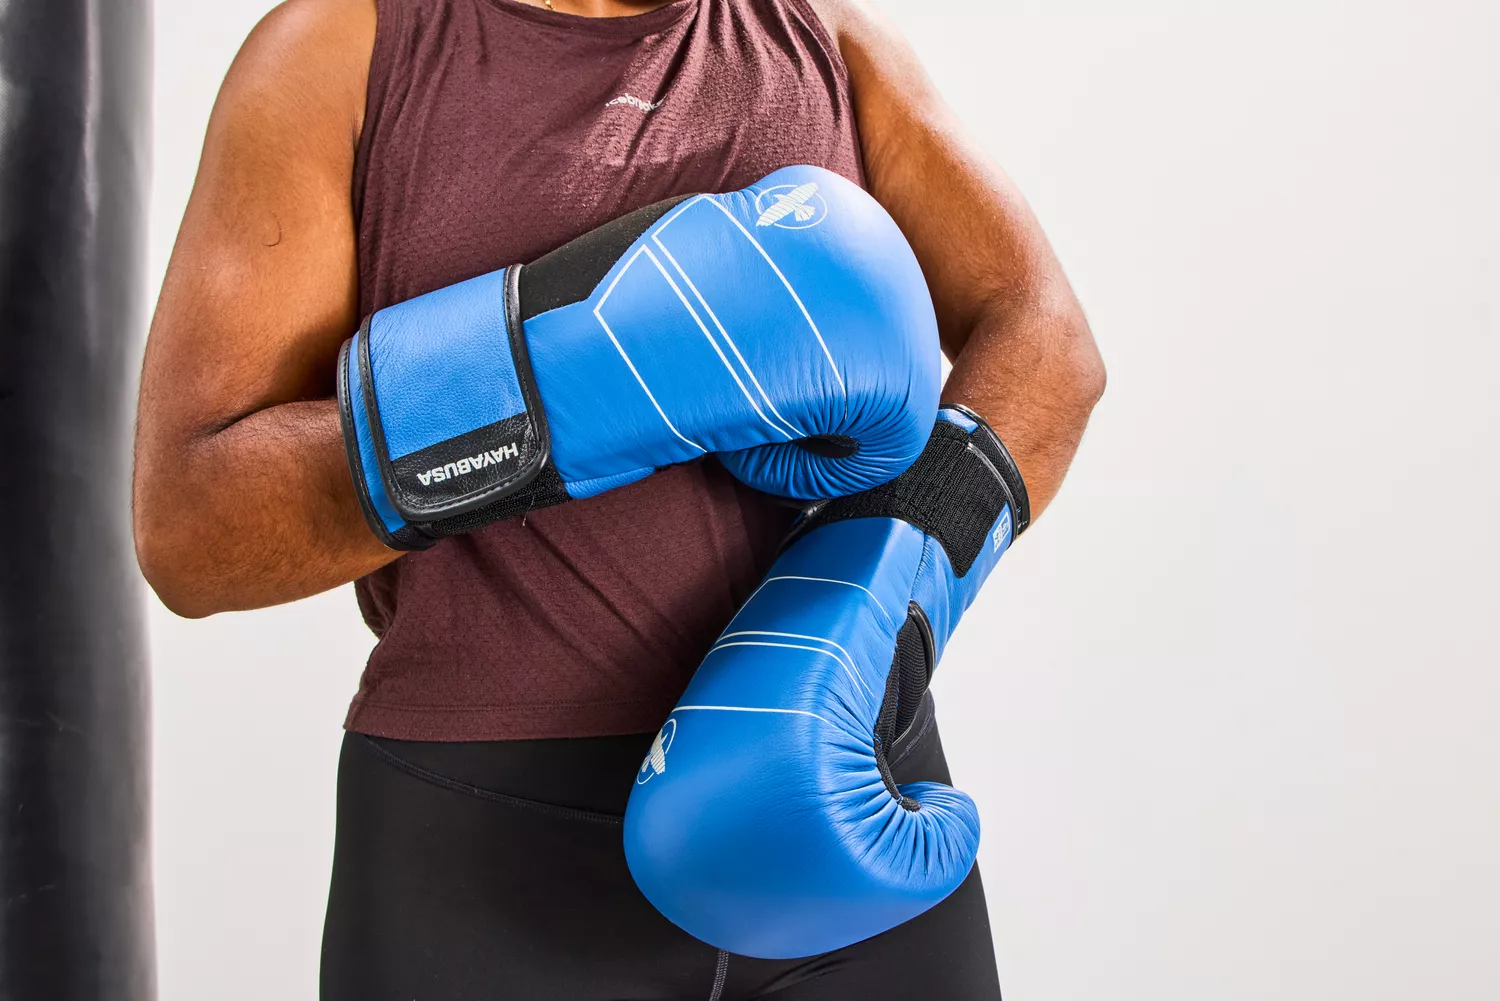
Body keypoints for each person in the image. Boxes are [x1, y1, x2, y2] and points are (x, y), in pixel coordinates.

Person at [133, 0, 1105, 998]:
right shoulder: (343, 50)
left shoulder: (817, 36)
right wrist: (582, 369)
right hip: (490, 855)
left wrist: (877, 604)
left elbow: (1046, 336)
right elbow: (190, 524)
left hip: (836, 793)